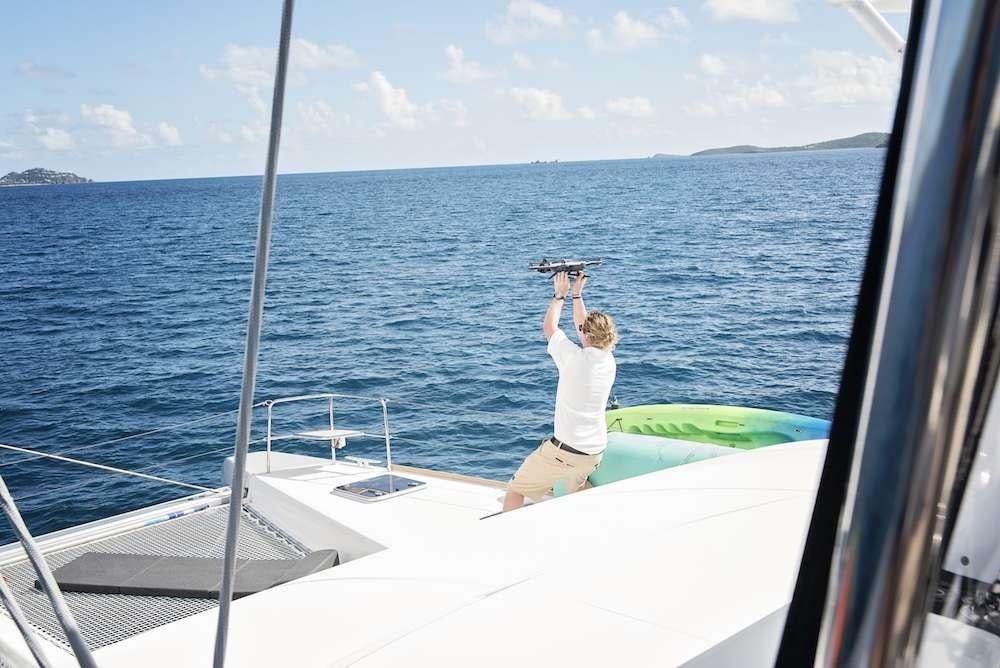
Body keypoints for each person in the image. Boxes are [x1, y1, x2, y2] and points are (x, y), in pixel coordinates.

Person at [503, 270, 619, 512]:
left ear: (585, 335)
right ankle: (605, 516)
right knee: (578, 485)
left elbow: (549, 327)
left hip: (566, 452)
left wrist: (560, 296)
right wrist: (577, 296)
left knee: (516, 489)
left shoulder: (573, 358)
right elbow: (582, 329)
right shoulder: (608, 361)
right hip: (594, 451)